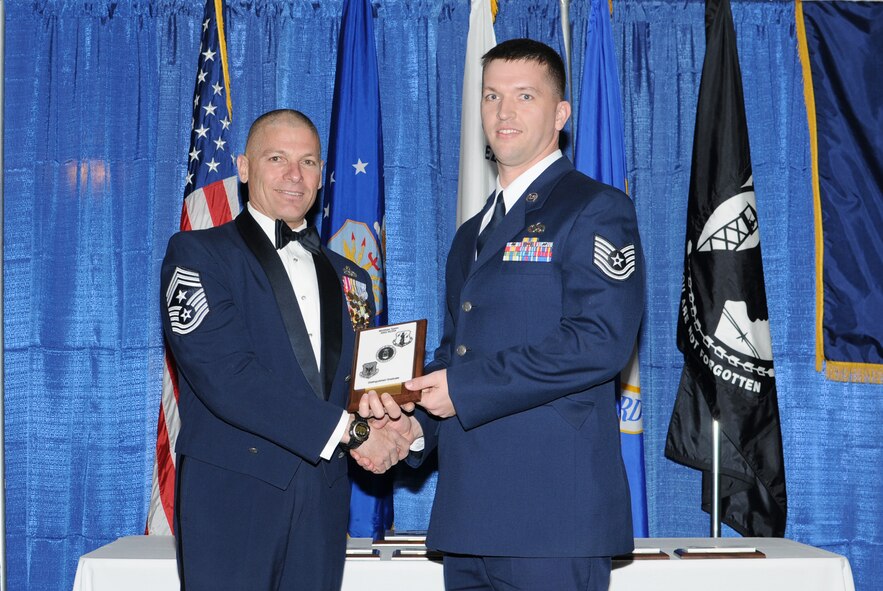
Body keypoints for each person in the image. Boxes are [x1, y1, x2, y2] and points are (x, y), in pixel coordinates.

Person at [362, 39, 645, 591]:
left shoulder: (596, 208)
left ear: (560, 114)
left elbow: (599, 342)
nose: (504, 112)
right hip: (470, 518)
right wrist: (411, 428)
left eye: (524, 96)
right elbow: (457, 353)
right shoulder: (472, 234)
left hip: (553, 519)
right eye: (492, 96)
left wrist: (463, 389)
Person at [160, 109, 411, 591]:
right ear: (245, 167)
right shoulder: (197, 255)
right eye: (277, 158)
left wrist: (400, 428)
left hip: (323, 497)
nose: (295, 175)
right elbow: (229, 378)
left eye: (309, 162)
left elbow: (365, 384)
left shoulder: (352, 277)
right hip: (234, 497)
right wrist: (355, 434)